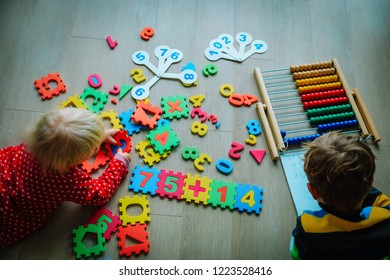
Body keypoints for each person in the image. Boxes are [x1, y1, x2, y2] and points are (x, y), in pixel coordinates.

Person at [0, 107, 131, 248]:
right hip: (9, 216)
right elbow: (99, 194)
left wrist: (98, 136)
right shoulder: (66, 179)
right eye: (94, 148)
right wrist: (119, 164)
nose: (96, 149)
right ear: (75, 160)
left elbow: (64, 139)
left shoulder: (34, 144)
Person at [290, 131, 390, 259]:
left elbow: (297, 254)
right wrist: (358, 182)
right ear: (370, 183)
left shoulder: (308, 227)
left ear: (313, 191)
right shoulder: (386, 219)